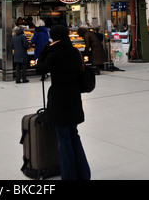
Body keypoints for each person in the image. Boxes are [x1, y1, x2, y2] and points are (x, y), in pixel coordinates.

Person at [36, 25, 91, 180]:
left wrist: (45, 50)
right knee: (74, 135)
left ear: (54, 37)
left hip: (59, 100)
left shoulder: (54, 54)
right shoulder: (74, 52)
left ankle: (69, 176)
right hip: (74, 98)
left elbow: (40, 68)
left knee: (64, 139)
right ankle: (84, 174)